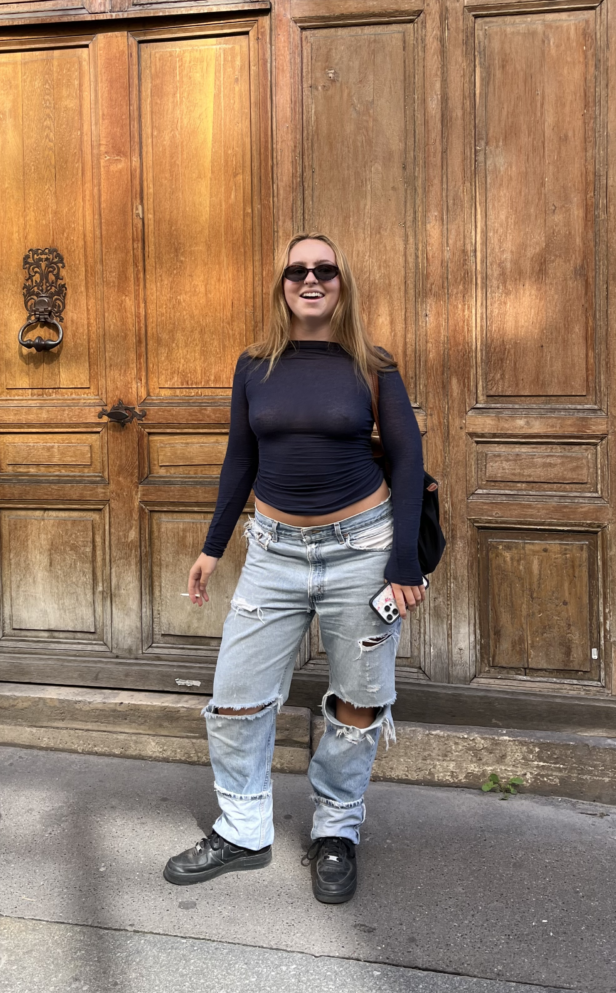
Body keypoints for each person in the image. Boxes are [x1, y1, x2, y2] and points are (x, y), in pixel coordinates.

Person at [163, 232, 425, 904]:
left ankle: (337, 830)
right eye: (297, 271)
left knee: (357, 703)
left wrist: (404, 564)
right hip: (273, 552)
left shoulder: (373, 364)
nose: (311, 280)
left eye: (325, 270)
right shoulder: (255, 366)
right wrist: (213, 547)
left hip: (362, 551)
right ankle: (244, 829)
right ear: (282, 285)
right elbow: (238, 463)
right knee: (236, 696)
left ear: (342, 283)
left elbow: (407, 461)